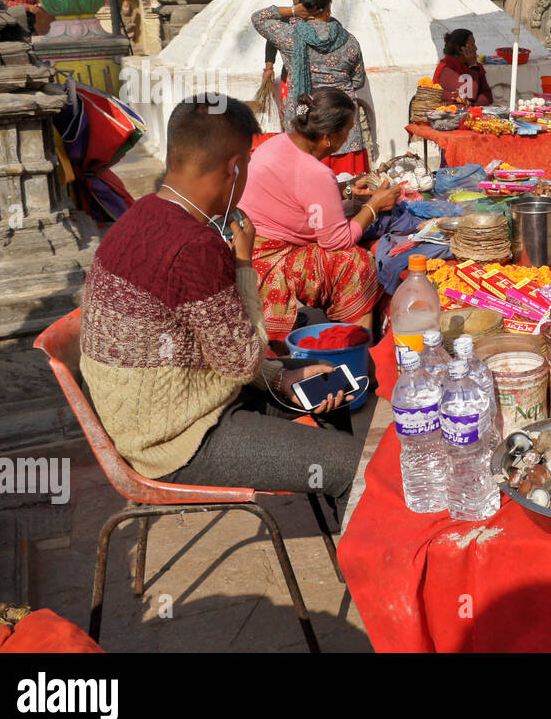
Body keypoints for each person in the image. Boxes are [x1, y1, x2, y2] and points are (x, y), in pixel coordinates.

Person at [79, 95, 363, 517]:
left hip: (168, 404)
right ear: (234, 167)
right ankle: (365, 567)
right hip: (174, 441)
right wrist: (244, 264)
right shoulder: (195, 246)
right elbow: (241, 362)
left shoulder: (142, 215)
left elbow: (224, 349)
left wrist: (281, 379)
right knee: (355, 465)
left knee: (342, 385)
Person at [239, 88, 396, 342]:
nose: (347, 138)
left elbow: (299, 194)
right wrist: (374, 206)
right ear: (328, 138)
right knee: (357, 263)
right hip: (270, 259)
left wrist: (346, 190)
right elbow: (337, 241)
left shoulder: (280, 142)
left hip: (251, 244)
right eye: (346, 132)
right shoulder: (314, 172)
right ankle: (356, 346)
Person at [251, 0, 368, 175]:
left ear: (303, 5)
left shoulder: (290, 36)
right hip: (343, 130)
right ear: (329, 6)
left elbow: (259, 18)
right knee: (350, 194)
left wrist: (294, 11)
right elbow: (358, 81)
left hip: (306, 130)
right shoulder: (349, 40)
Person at [434, 28, 493, 107]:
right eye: (472, 45)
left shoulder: (476, 66)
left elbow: (488, 96)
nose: (476, 48)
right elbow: (470, 95)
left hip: (471, 113)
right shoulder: (446, 68)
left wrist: (471, 104)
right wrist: (473, 67)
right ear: (460, 50)